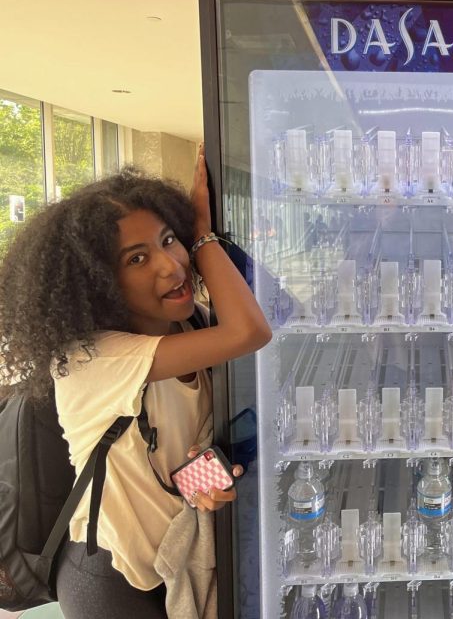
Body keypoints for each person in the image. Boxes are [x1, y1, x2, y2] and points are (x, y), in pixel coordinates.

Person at [0, 146, 271, 618]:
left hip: (179, 558)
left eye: (170, 240)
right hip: (111, 577)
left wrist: (204, 484)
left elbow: (275, 310)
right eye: (137, 259)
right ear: (98, 282)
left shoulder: (193, 328)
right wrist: (205, 236)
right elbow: (251, 331)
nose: (171, 265)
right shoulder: (93, 359)